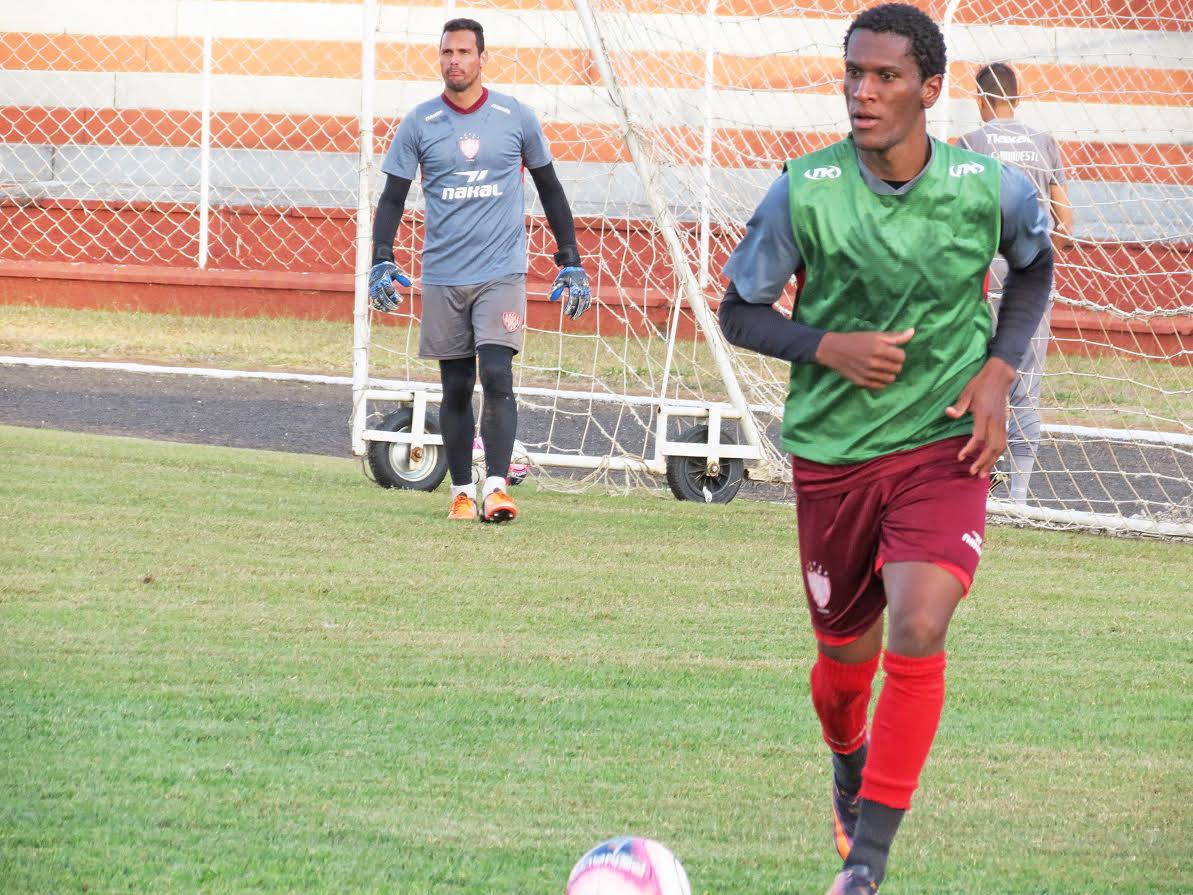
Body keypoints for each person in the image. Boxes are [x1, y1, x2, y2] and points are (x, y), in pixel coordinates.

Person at [716, 5, 1052, 893]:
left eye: (886, 77)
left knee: (922, 619)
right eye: (853, 75)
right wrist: (829, 345)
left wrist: (996, 373)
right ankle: (844, 758)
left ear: (929, 91)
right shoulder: (803, 189)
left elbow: (1034, 267)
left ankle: (864, 863)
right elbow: (738, 312)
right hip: (833, 456)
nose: (863, 93)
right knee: (840, 668)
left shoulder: (990, 188)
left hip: (943, 446)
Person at [368, 18, 592, 523]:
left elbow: (550, 187)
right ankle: (462, 492)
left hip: (501, 272)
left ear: (482, 57)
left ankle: (496, 487)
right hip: (443, 274)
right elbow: (392, 197)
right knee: (454, 386)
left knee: (497, 374)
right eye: (447, 52)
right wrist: (382, 256)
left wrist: (570, 258)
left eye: (464, 52)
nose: (455, 61)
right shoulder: (419, 122)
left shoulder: (516, 116)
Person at [959, 62, 1075, 503]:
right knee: (1026, 381)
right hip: (1032, 275)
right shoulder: (1045, 143)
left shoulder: (971, 143)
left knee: (974, 372)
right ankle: (1020, 496)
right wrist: (1046, 253)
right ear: (1017, 99)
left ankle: (973, 484)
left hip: (987, 272)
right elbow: (1066, 220)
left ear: (981, 100)